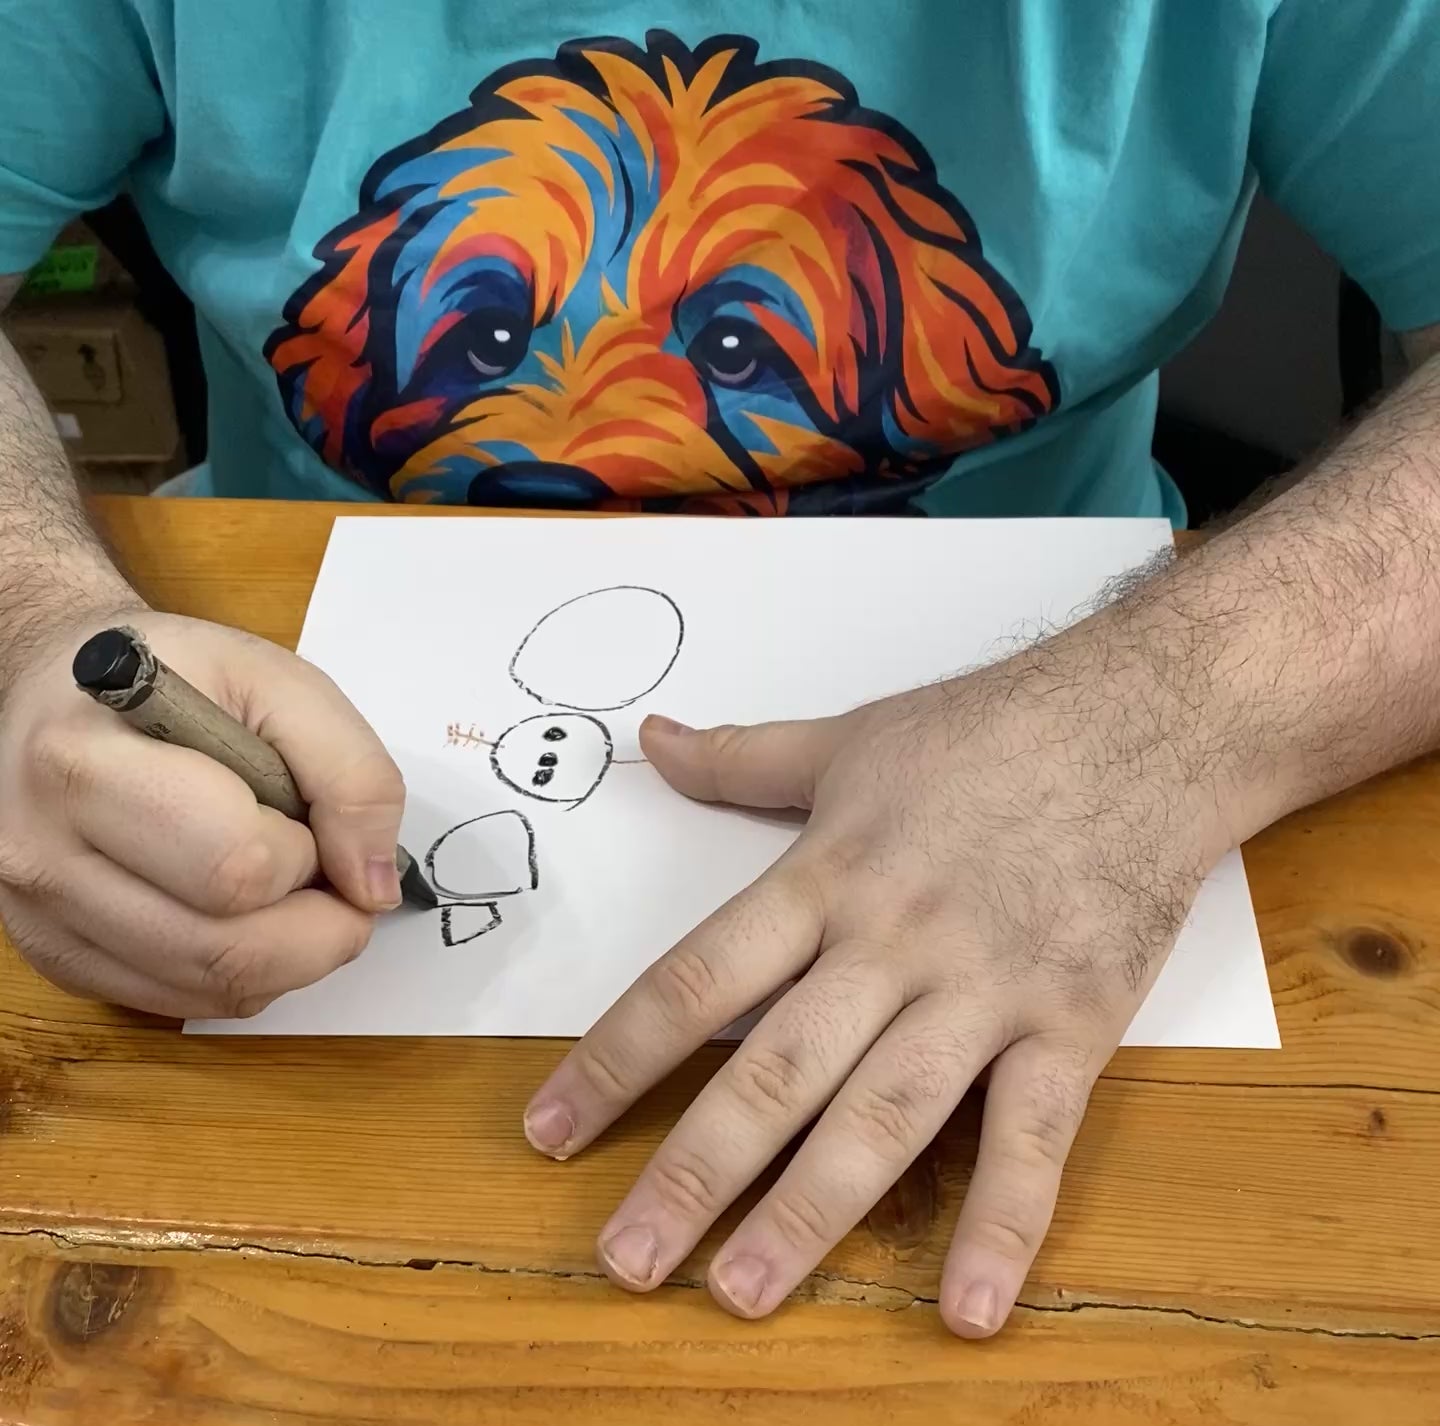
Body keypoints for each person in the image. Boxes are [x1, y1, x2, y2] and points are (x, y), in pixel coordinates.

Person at [1, 7, 1437, 1342]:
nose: (579, 414)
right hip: (264, 793)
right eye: (492, 335)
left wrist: (1162, 721)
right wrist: (33, 617)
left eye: (733, 346)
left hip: (1139, 795)